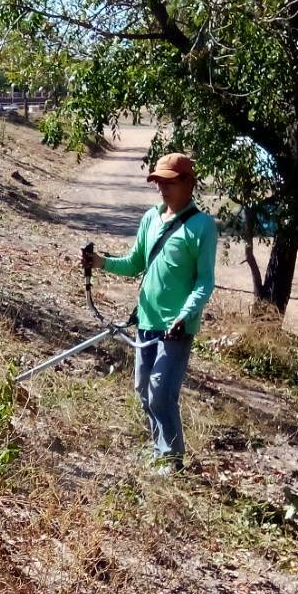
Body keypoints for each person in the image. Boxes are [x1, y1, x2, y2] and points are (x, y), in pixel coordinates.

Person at [83, 153, 217, 471]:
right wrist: (100, 262)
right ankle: (160, 452)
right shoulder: (150, 218)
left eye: (169, 182)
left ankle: (172, 461)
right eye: (158, 181)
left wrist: (185, 316)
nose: (162, 188)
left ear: (188, 184)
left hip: (177, 328)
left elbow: (205, 281)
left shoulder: (203, 226)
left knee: (160, 393)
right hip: (146, 320)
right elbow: (134, 263)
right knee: (144, 389)